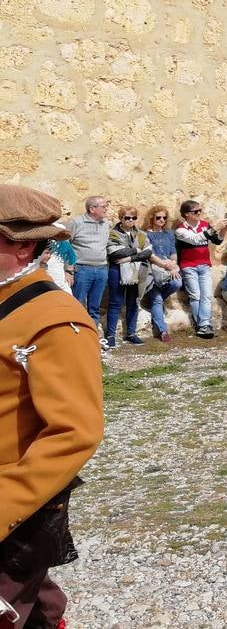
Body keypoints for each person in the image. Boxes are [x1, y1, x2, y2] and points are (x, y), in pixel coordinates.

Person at [0, 185, 104, 629]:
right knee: (40, 612)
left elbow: (74, 431)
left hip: (11, 507)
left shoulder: (56, 320)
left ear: (22, 245)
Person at [105, 205, 172, 349]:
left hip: (137, 271)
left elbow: (147, 253)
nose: (130, 220)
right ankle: (110, 336)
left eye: (133, 218)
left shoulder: (141, 234)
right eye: (127, 218)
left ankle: (131, 334)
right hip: (117, 270)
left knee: (133, 303)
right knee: (115, 302)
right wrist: (137, 250)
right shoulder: (113, 234)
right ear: (121, 218)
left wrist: (129, 257)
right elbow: (115, 253)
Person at [175, 200, 227, 339]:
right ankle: (204, 325)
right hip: (189, 266)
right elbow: (195, 239)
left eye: (200, 210)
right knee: (195, 296)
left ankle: (203, 325)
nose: (199, 213)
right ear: (186, 214)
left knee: (206, 295)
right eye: (195, 211)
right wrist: (213, 228)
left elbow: (217, 240)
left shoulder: (204, 225)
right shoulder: (181, 230)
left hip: (204, 264)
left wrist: (223, 230)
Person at [66, 195, 110, 325]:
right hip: (82, 269)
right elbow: (66, 245)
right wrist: (68, 270)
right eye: (103, 206)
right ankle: (77, 338)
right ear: (92, 209)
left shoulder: (106, 223)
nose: (106, 209)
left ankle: (93, 337)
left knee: (95, 307)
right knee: (77, 305)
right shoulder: (76, 223)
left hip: (102, 269)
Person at [142, 206, 183, 342]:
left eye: (164, 217)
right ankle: (163, 331)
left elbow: (173, 252)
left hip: (168, 267)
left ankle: (154, 303)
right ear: (152, 218)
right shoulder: (145, 234)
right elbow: (150, 255)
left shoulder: (169, 233)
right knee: (157, 299)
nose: (161, 220)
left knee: (177, 282)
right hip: (152, 269)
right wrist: (165, 265)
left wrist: (174, 265)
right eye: (158, 217)